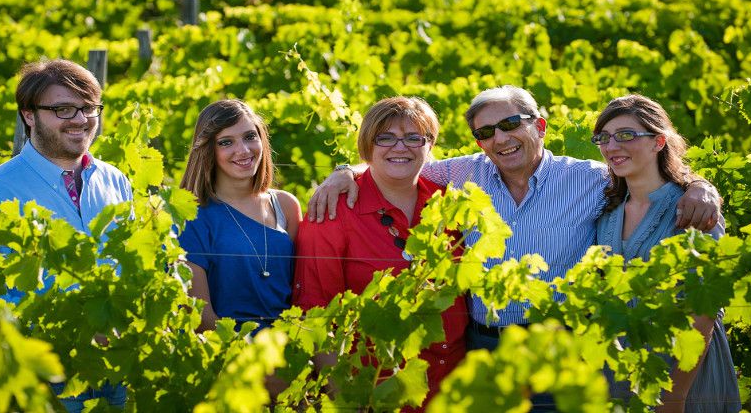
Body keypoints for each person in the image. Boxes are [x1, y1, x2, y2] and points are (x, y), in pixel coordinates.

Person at [307, 86, 721, 411]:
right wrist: (345, 172)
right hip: (482, 349)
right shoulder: (462, 173)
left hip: (559, 351)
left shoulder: (592, 180)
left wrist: (701, 187)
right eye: (485, 132)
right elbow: (397, 162)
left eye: (510, 124)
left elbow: (648, 173)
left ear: (539, 126)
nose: (499, 138)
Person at [0, 59, 132, 412]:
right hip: (46, 381)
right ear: (29, 115)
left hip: (118, 372)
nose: (80, 120)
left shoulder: (116, 181)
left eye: (88, 108)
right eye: (63, 109)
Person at [293, 97, 468, 410]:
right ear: (367, 145)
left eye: (414, 138)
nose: (400, 147)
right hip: (376, 395)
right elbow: (315, 318)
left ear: (430, 146)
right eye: (385, 138)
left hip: (454, 391)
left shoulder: (450, 205)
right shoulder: (333, 213)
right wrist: (351, 401)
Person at [593, 94, 740, 413]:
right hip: (622, 379)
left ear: (659, 141)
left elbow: (705, 313)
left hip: (685, 380)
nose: (612, 146)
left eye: (626, 135)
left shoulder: (694, 210)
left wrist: (674, 395)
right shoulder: (606, 212)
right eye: (603, 138)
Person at [178, 99, 301, 333]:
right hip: (228, 356)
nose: (243, 150)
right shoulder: (192, 217)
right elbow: (201, 319)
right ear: (208, 150)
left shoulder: (286, 206)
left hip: (289, 352)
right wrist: (255, 358)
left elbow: (299, 293)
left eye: (249, 137)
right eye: (226, 142)